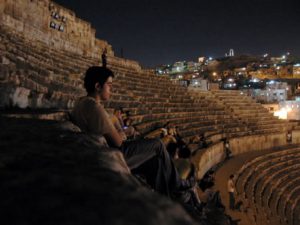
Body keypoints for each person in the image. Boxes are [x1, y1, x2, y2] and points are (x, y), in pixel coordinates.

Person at [71, 66, 197, 200]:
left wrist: (115, 122)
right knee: (158, 144)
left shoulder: (82, 102)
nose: (111, 89)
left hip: (101, 152)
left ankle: (165, 199)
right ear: (98, 86)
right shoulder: (94, 107)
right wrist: (121, 129)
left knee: (155, 162)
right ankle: (177, 183)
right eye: (109, 85)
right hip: (111, 155)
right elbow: (119, 142)